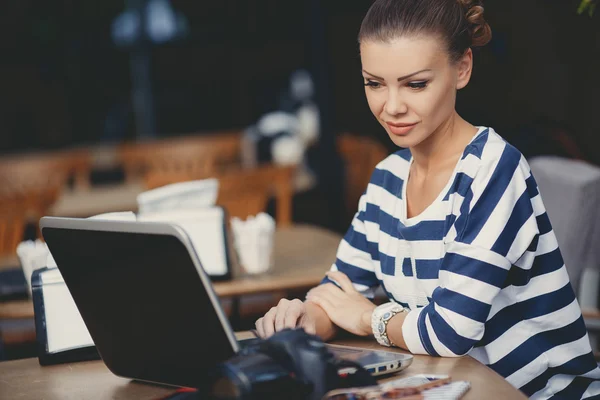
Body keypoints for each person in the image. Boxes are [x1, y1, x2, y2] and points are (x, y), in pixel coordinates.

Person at [255, 0, 600, 398]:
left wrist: (368, 318)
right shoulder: (388, 178)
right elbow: (340, 291)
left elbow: (449, 332)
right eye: (374, 83)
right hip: (445, 386)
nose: (392, 106)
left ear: (462, 68)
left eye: (415, 84)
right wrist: (302, 319)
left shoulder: (493, 170)